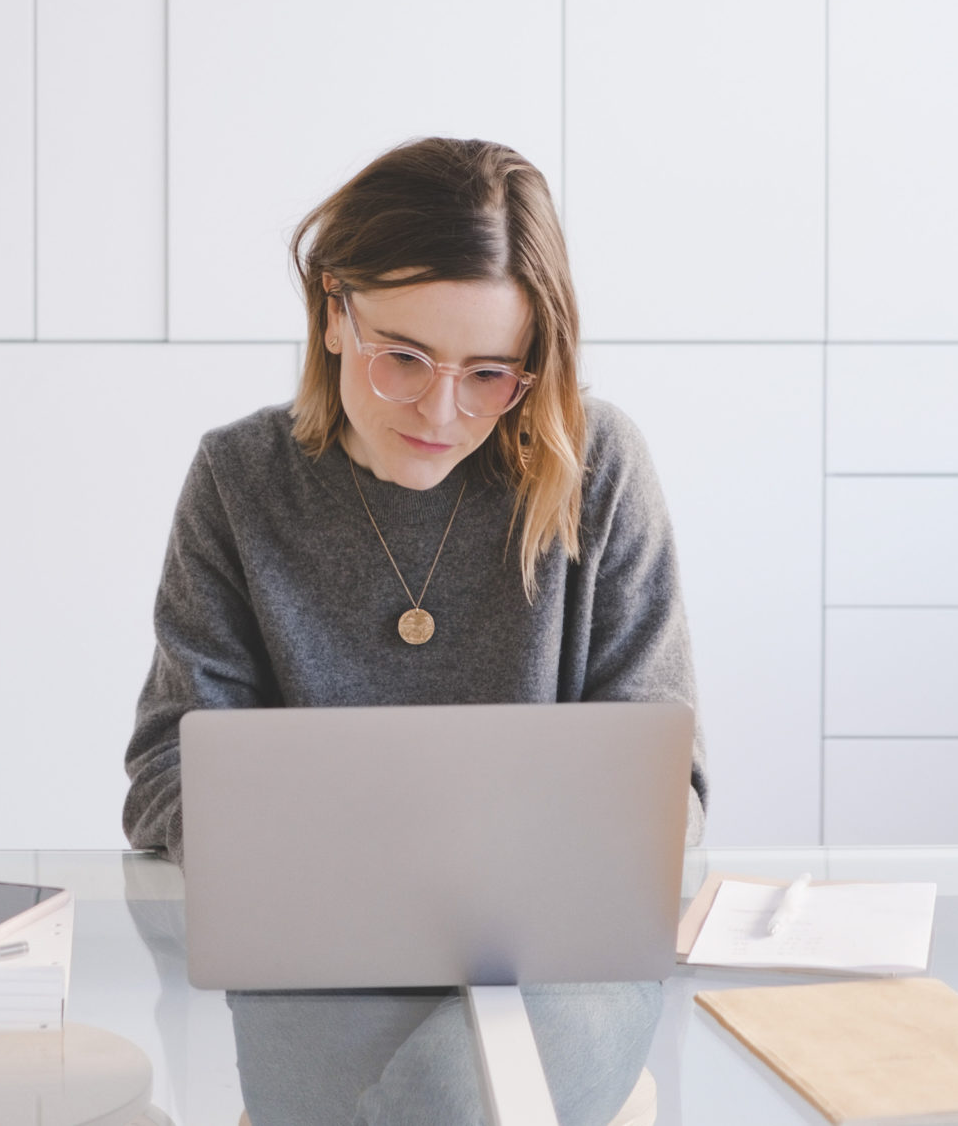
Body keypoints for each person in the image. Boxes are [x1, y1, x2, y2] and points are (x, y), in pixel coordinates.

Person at [120, 136, 704, 1126]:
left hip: (563, 962)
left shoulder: (596, 468)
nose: (441, 410)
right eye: (404, 358)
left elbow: (661, 794)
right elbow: (166, 780)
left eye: (489, 373)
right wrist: (350, 860)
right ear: (332, 313)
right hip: (319, 951)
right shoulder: (241, 482)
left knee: (444, 1097)